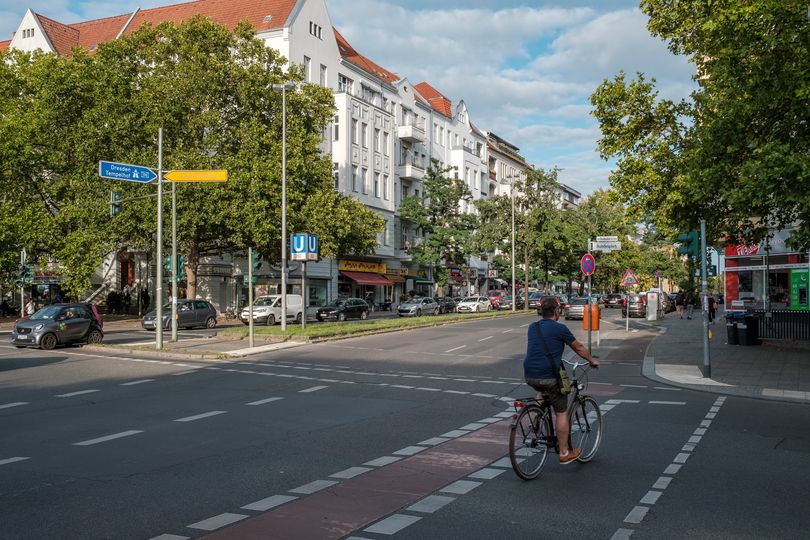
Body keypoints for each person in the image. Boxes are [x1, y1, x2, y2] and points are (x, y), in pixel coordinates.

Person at [524, 296, 600, 465]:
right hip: (551, 376)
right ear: (557, 311)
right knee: (561, 412)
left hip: (530, 375)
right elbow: (578, 347)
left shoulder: (532, 327)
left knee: (541, 388)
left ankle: (537, 418)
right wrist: (591, 360)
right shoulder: (560, 329)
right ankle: (565, 453)